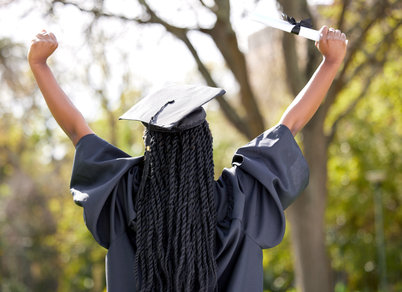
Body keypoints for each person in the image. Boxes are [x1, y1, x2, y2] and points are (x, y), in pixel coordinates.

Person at [28, 25, 347, 292]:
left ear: (151, 145)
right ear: (203, 144)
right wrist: (330, 63)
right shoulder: (241, 198)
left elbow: (76, 130)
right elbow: (290, 126)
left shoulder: (123, 196)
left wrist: (40, 66)